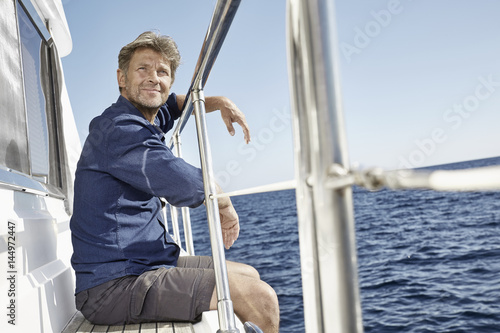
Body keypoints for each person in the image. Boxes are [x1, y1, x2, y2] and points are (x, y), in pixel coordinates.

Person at [70, 31, 279, 332]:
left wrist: (219, 101)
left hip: (149, 263)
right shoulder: (119, 128)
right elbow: (185, 183)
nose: (153, 78)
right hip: (114, 285)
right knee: (261, 298)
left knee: (250, 274)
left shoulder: (145, 115)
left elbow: (174, 105)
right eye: (142, 69)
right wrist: (225, 202)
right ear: (122, 78)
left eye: (162, 72)